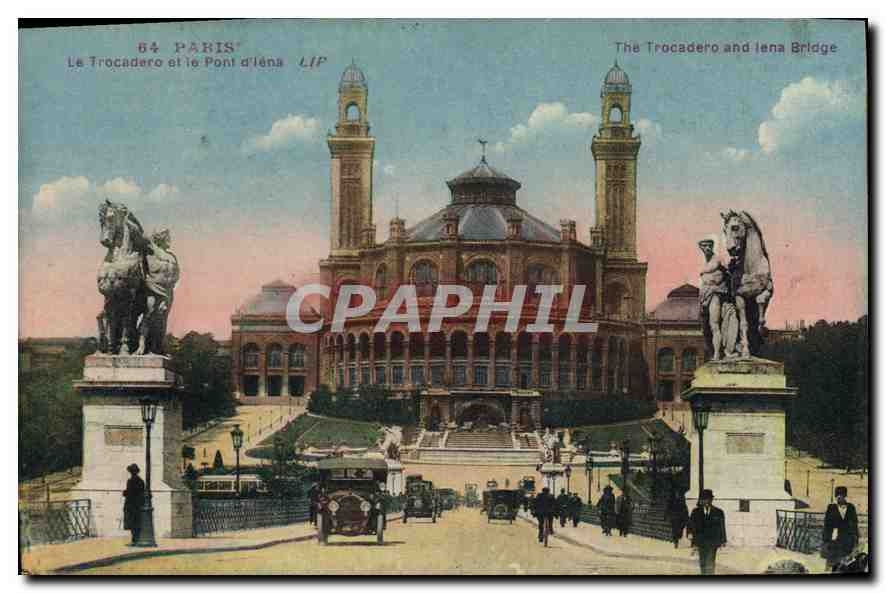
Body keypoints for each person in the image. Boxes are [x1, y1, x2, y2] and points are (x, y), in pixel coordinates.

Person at [689, 489, 727, 575]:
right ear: (701, 500)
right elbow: (691, 526)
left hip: (712, 542)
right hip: (700, 542)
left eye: (708, 499)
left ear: (711, 500)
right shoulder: (695, 512)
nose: (706, 501)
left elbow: (722, 526)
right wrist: (692, 538)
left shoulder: (718, 512)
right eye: (703, 499)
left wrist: (723, 540)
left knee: (710, 562)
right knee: (702, 562)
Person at [821, 486, 859, 571]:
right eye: (837, 497)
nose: (839, 499)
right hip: (834, 542)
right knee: (832, 566)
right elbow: (826, 525)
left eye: (841, 496)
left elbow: (855, 525)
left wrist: (856, 540)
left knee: (846, 566)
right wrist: (825, 541)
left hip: (847, 542)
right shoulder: (831, 507)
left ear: (845, 497)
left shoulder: (851, 508)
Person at [122, 463, 145, 545]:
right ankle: (136, 539)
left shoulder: (131, 481)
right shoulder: (141, 481)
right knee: (137, 523)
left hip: (131, 505)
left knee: (132, 523)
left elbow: (129, 493)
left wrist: (124, 493)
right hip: (138, 505)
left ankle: (134, 540)